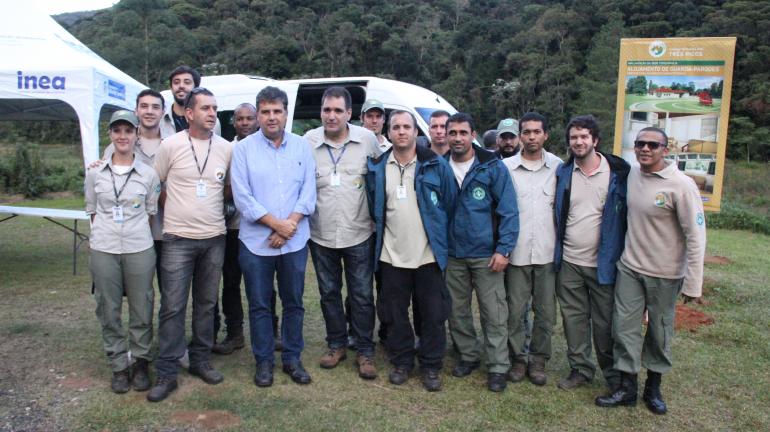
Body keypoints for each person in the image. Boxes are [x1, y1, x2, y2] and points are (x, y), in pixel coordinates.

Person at [596, 127, 706, 415]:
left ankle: (653, 388)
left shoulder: (681, 185)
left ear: (665, 149)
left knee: (659, 332)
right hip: (630, 268)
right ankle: (627, 387)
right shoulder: (632, 174)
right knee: (624, 328)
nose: (645, 149)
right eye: (640, 144)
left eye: (652, 145)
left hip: (665, 273)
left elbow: (695, 236)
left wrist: (693, 284)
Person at [148, 88, 232, 402]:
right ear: (189, 114)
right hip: (177, 240)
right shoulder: (169, 146)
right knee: (172, 307)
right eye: (206, 108)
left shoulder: (225, 148)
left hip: (214, 239)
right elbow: (154, 183)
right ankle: (167, 371)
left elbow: (226, 189)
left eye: (215, 107)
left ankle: (200, 361)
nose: (212, 113)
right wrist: (175, 208)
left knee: (207, 305)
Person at [232, 86, 317, 387]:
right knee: (259, 304)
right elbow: (243, 198)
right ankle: (264, 361)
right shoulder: (242, 149)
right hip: (256, 244)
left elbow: (308, 192)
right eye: (265, 112)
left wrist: (289, 225)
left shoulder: (301, 147)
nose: (271, 117)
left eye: (277, 111)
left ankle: (292, 359)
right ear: (257, 114)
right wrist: (275, 225)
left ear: (285, 113)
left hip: (294, 242)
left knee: (294, 302)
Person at [366, 110, 456, 391]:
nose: (401, 131)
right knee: (394, 314)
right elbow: (374, 207)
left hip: (428, 255)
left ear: (416, 132)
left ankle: (430, 366)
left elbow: (450, 203)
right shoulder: (378, 167)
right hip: (392, 254)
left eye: (407, 126)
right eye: (396, 127)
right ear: (389, 132)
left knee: (432, 313)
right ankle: (402, 361)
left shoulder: (436, 165)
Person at [303, 86, 381, 380]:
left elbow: (378, 179)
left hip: (359, 231)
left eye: (338, 110)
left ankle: (365, 350)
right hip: (321, 234)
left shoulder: (367, 140)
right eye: (326, 110)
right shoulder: (307, 141)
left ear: (350, 113)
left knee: (361, 295)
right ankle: (336, 344)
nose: (331, 116)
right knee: (329, 294)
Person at [85, 110, 160, 394]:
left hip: (139, 247)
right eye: (117, 131)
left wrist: (129, 233)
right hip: (103, 247)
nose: (123, 136)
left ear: (136, 134)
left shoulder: (148, 174)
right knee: (108, 307)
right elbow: (92, 210)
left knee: (142, 305)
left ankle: (140, 361)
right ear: (110, 136)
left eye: (128, 131)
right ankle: (118, 364)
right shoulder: (94, 173)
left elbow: (151, 213)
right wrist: (107, 234)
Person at [553, 115, 629, 392]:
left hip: (604, 263)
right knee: (573, 321)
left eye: (584, 136)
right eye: (574, 137)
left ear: (595, 140)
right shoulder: (563, 173)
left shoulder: (618, 173)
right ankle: (580, 369)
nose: (578, 142)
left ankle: (613, 375)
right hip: (569, 261)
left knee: (605, 323)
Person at [444, 113, 519, 393]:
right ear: (447, 136)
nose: (458, 138)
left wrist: (504, 249)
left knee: (494, 312)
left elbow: (509, 210)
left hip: (487, 254)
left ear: (473, 134)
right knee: (457, 310)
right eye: (453, 133)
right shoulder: (440, 167)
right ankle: (468, 355)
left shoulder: (492, 167)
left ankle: (498, 365)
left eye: (463, 132)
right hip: (453, 253)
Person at [502, 112, 562, 386]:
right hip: (516, 255)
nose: (531, 137)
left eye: (537, 132)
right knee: (515, 312)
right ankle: (518, 359)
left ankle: (538, 360)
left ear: (545, 135)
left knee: (546, 312)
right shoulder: (506, 168)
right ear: (520, 136)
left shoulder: (559, 168)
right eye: (526, 132)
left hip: (547, 255)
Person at [98, 90, 167, 292]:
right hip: (130, 233)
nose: (149, 111)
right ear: (136, 110)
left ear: (163, 112)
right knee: (131, 290)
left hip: (167, 230)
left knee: (168, 290)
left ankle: (164, 325)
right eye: (144, 106)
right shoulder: (118, 143)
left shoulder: (173, 143)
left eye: (155, 107)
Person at [212, 103, 263, 355]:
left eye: (249, 118)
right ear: (234, 122)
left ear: (257, 120)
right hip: (233, 227)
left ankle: (270, 332)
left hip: (261, 227)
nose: (244, 123)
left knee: (263, 284)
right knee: (231, 282)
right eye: (240, 118)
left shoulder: (266, 147)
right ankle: (234, 333)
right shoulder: (227, 149)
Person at [160, 65, 220, 138]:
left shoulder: (211, 121)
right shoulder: (160, 120)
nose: (181, 86)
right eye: (176, 82)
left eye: (187, 82)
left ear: (196, 87)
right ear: (171, 88)